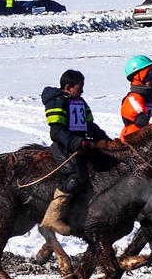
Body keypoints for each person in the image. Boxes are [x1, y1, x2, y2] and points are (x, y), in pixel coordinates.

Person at [41, 69, 110, 236]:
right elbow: (56, 132)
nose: (83, 90)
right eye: (80, 87)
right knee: (76, 177)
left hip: (81, 146)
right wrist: (77, 142)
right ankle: (53, 216)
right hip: (64, 148)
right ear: (68, 87)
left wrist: (105, 140)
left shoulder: (80, 102)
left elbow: (89, 126)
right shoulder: (57, 102)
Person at [120, 55, 152, 140]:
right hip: (133, 142)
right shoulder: (133, 99)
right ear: (137, 78)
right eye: (149, 73)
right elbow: (142, 121)